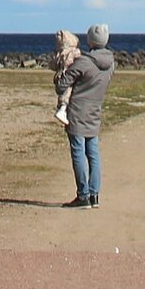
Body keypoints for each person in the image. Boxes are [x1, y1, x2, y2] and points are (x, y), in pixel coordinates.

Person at [56, 23, 114, 209]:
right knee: (93, 154)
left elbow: (61, 85)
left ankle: (83, 195)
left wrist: (60, 72)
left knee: (78, 153)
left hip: (77, 112)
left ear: (90, 40)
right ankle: (94, 194)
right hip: (95, 111)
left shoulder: (83, 62)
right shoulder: (111, 64)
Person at [51, 29, 81, 125]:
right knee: (67, 92)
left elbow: (52, 65)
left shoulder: (60, 53)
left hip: (60, 75)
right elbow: (70, 61)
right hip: (66, 74)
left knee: (63, 93)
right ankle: (62, 109)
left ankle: (61, 108)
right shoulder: (72, 52)